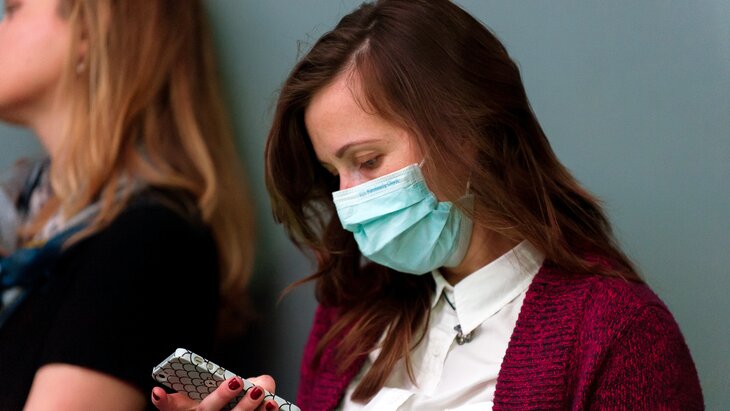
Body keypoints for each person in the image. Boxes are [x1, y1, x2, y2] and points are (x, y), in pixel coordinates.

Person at [152, 0, 704, 410]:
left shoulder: (620, 334)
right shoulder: (350, 313)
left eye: (367, 159)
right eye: (333, 172)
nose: (348, 198)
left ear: (469, 132)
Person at [0, 0, 254, 409]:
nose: (1, 28)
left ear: (89, 33)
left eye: (13, 10)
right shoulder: (26, 229)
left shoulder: (147, 241)